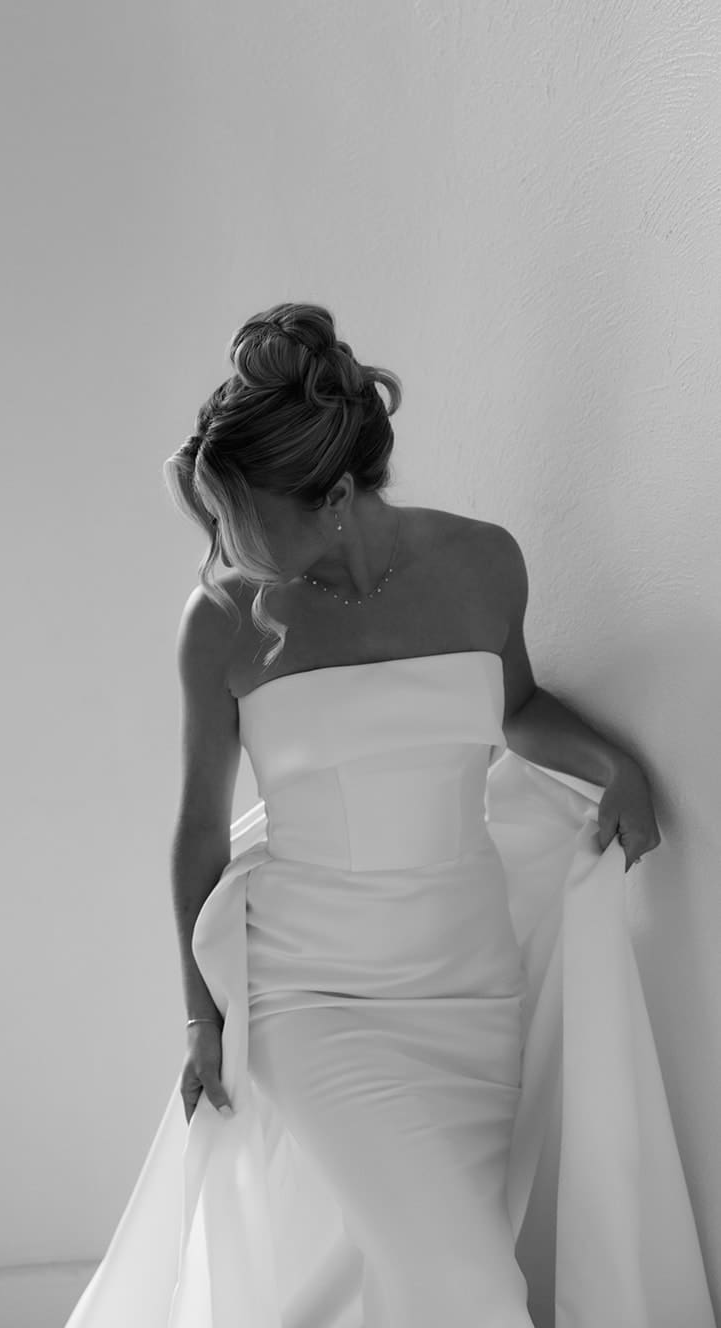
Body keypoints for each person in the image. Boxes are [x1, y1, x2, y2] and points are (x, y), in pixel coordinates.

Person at [64, 303, 714, 1328]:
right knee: (466, 1290)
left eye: (243, 514)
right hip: (313, 1002)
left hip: (467, 991)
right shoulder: (225, 623)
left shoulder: (481, 564)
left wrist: (613, 765)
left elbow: (512, 707)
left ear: (330, 495)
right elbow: (197, 831)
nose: (225, 542)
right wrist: (199, 1014)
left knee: (408, 1282)